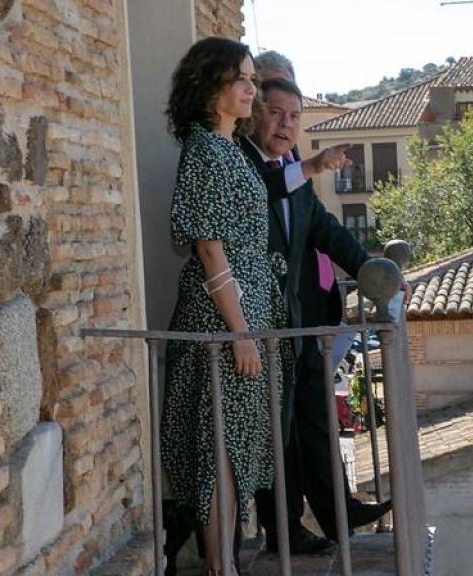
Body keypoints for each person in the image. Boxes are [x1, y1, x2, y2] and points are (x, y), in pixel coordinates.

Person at [240, 73, 391, 553]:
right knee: (275, 432)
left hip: (296, 322)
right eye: (276, 113)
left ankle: (339, 513)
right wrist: (312, 165)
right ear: (254, 113)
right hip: (257, 328)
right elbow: (261, 193)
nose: (286, 125)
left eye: (295, 117)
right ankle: (285, 532)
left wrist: (374, 271)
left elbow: (327, 230)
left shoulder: (291, 167)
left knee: (313, 420)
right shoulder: (243, 164)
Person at [160, 37, 286, 576]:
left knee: (234, 443)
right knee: (221, 444)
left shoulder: (227, 148)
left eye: (252, 79)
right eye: (242, 79)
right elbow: (209, 248)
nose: (250, 89)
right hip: (225, 321)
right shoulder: (206, 150)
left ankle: (224, 561)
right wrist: (239, 334)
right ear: (212, 84)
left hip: (246, 315)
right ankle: (219, 565)